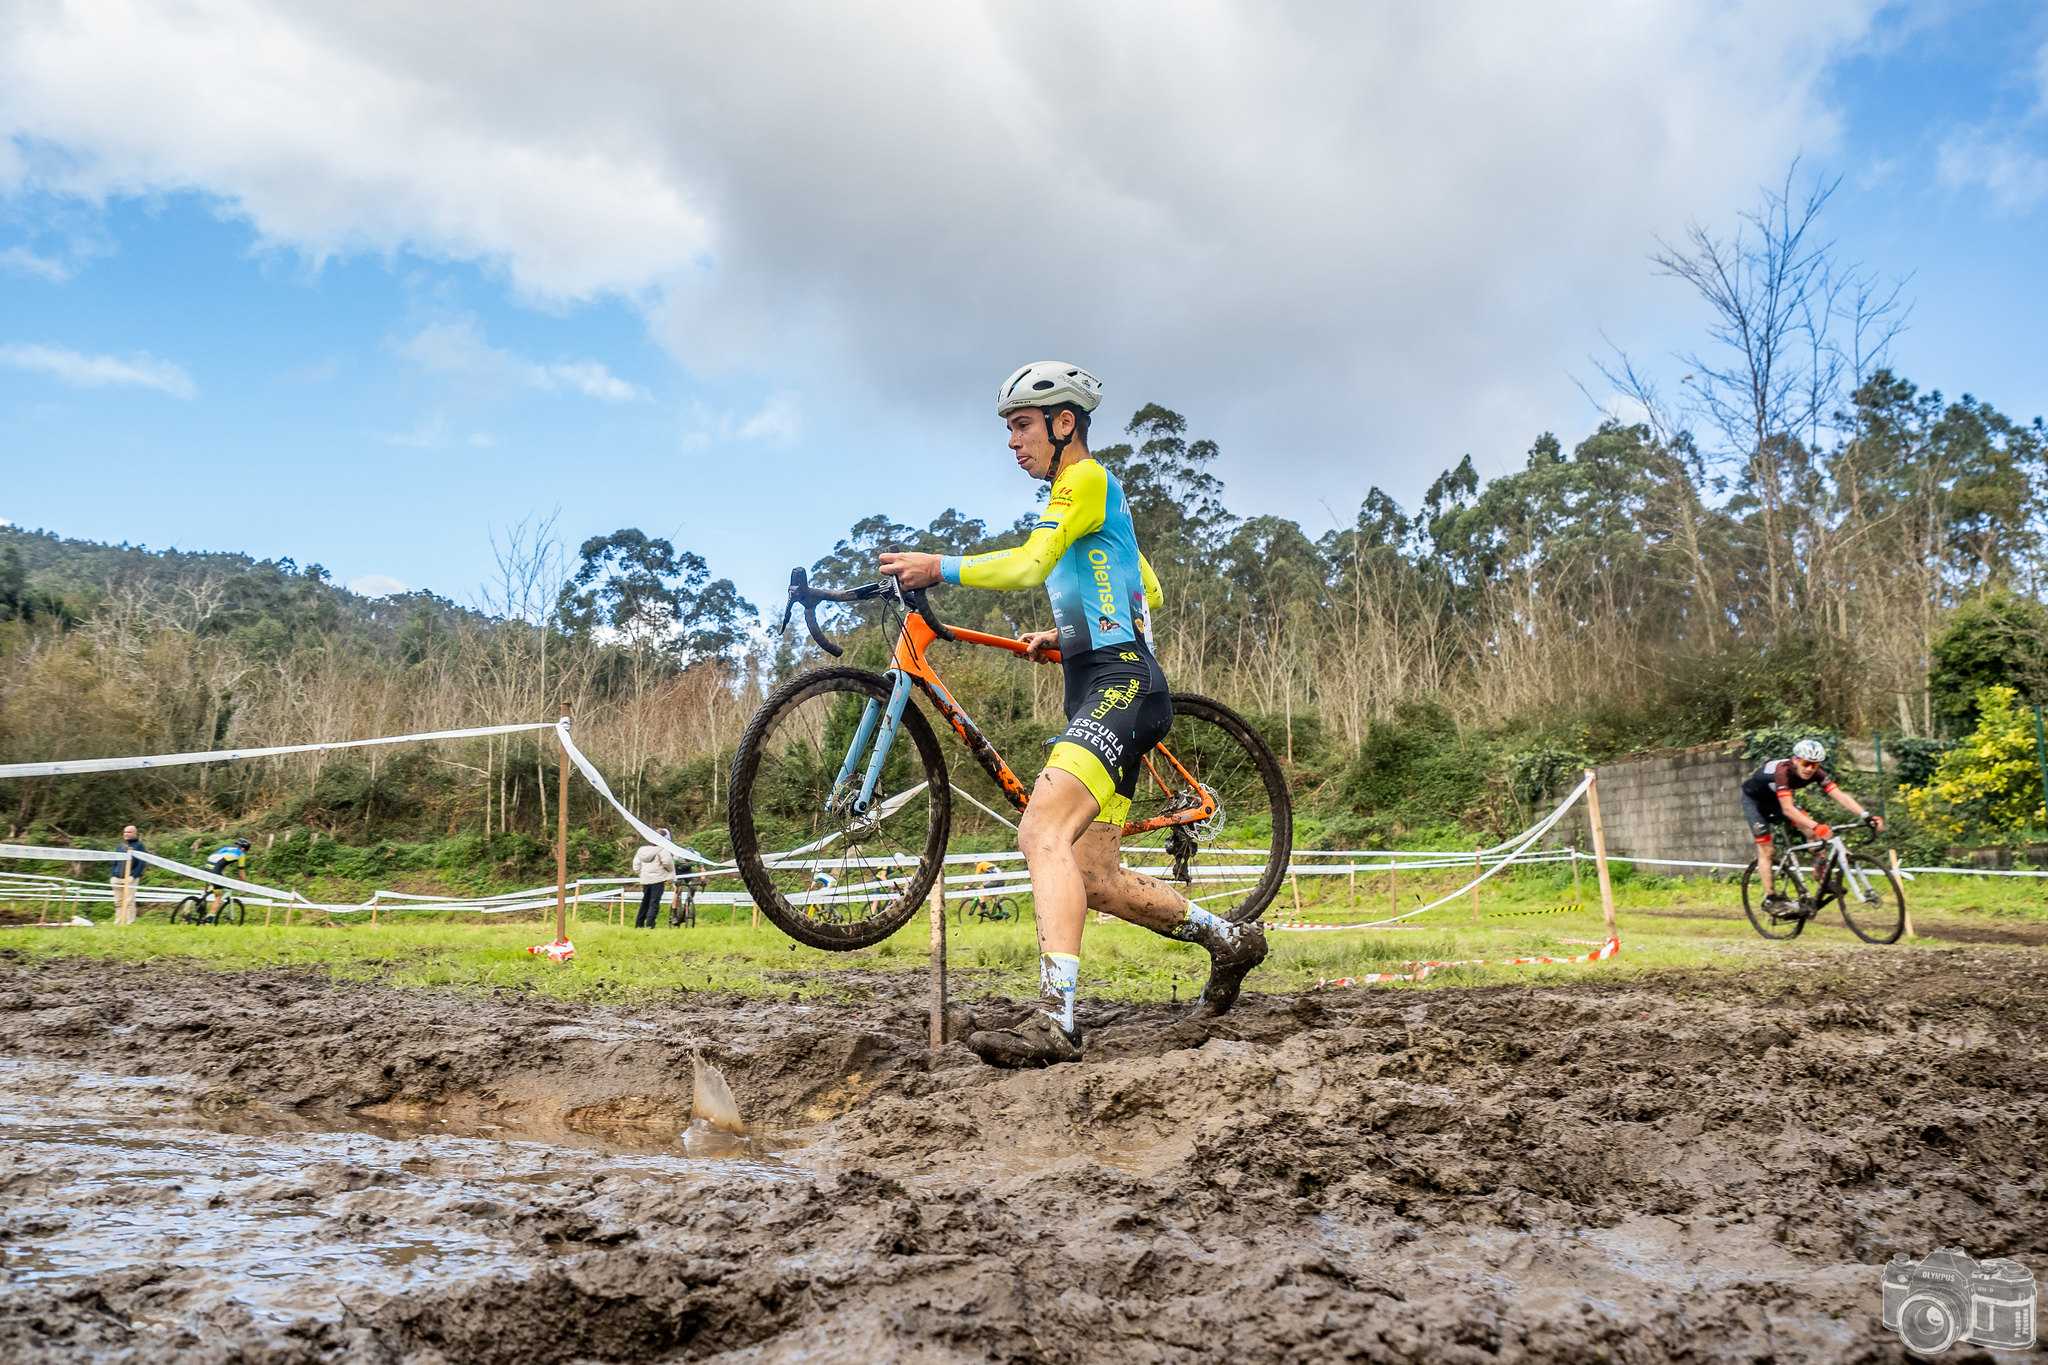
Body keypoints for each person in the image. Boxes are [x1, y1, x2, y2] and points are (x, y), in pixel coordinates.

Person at [879, 360, 1267, 1069]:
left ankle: (1056, 1019)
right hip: (1100, 678)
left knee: (1041, 827)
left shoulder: (1085, 479)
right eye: (1008, 428)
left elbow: (1031, 564)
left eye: (1022, 425)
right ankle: (1231, 939)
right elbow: (1145, 581)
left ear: (1066, 424)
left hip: (1122, 685)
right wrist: (1078, 630)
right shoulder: (1075, 497)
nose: (1011, 441)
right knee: (1096, 879)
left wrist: (941, 565)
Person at [1740, 739, 1883, 907]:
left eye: (1814, 765)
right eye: (1806, 763)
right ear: (1795, 760)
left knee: (1813, 834)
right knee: (1767, 850)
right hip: (1755, 802)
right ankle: (1770, 898)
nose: (1809, 769)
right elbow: (1788, 809)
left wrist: (1866, 815)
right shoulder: (1782, 772)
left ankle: (1820, 877)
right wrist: (1816, 825)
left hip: (1778, 800)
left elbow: (1840, 796)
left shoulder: (1817, 773)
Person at [632, 829, 676, 929]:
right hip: (658, 880)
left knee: (645, 901)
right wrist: (669, 872)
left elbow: (636, 865)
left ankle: (639, 924)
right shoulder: (662, 849)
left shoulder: (641, 850)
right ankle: (650, 924)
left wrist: (641, 873)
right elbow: (667, 862)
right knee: (654, 902)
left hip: (645, 879)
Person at [202, 837, 252, 918]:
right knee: (218, 896)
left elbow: (219, 862)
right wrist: (244, 885)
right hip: (215, 871)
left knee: (213, 887)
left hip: (206, 868)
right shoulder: (241, 854)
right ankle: (210, 917)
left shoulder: (226, 848)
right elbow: (241, 873)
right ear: (244, 849)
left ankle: (201, 902)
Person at [110, 824, 146, 925]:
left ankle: (130, 922)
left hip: (130, 878)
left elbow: (141, 863)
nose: (126, 834)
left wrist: (133, 876)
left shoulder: (139, 846)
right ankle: (119, 921)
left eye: (129, 832)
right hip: (116, 878)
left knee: (129, 901)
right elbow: (115, 861)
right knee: (118, 901)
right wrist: (113, 874)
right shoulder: (120, 846)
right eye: (125, 832)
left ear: (135, 833)